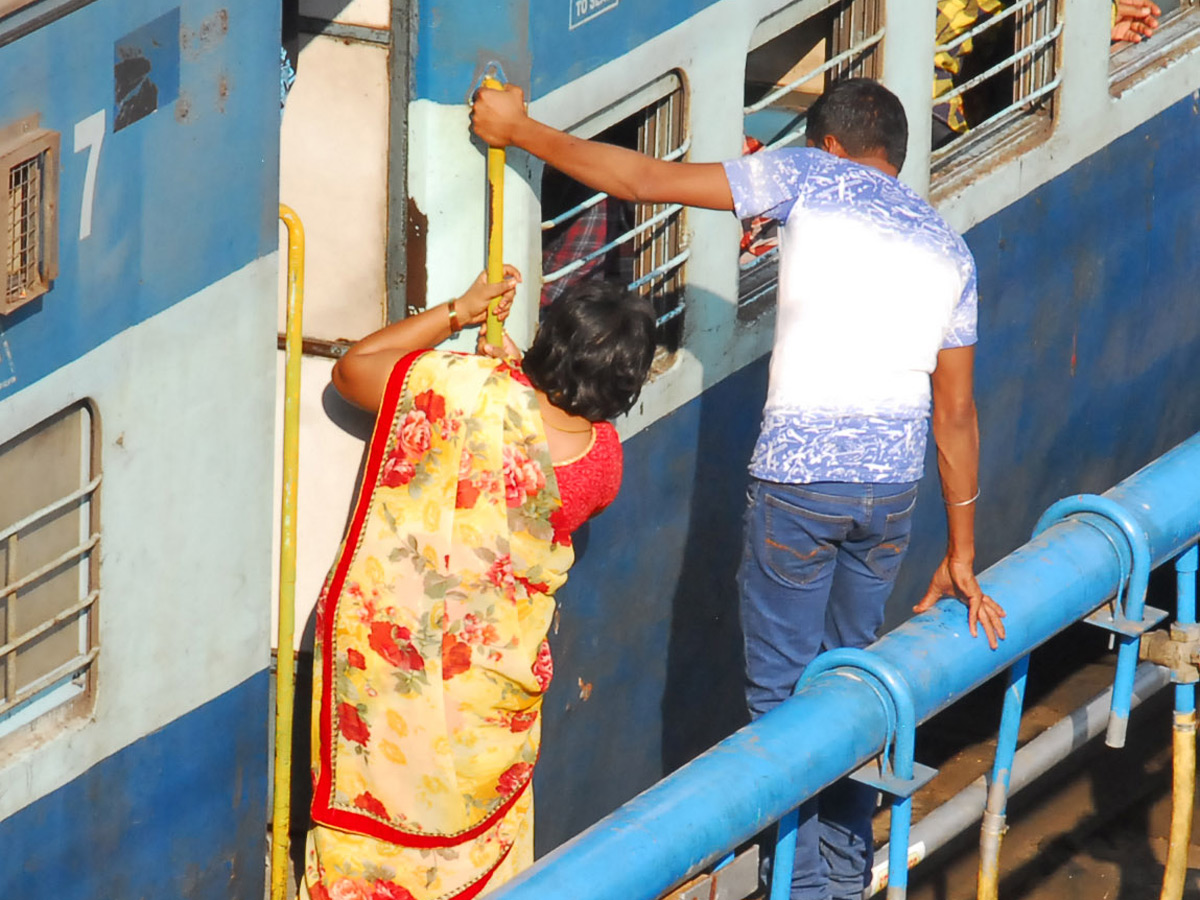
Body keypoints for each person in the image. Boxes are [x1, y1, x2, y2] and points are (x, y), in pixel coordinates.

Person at [472, 77, 1006, 900]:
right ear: (893, 159)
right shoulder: (947, 244)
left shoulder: (808, 176)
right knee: (854, 683)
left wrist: (521, 128)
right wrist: (962, 552)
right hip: (891, 495)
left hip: (800, 481)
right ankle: (837, 878)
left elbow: (644, 181)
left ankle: (803, 889)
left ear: (827, 143)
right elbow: (957, 412)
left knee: (784, 702)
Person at [303, 271, 656, 900]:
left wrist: (461, 311)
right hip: (489, 687)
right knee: (474, 830)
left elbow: (354, 370)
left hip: (390, 657)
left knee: (378, 807)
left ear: (551, 341)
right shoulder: (604, 462)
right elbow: (536, 460)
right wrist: (521, 377)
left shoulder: (459, 388)